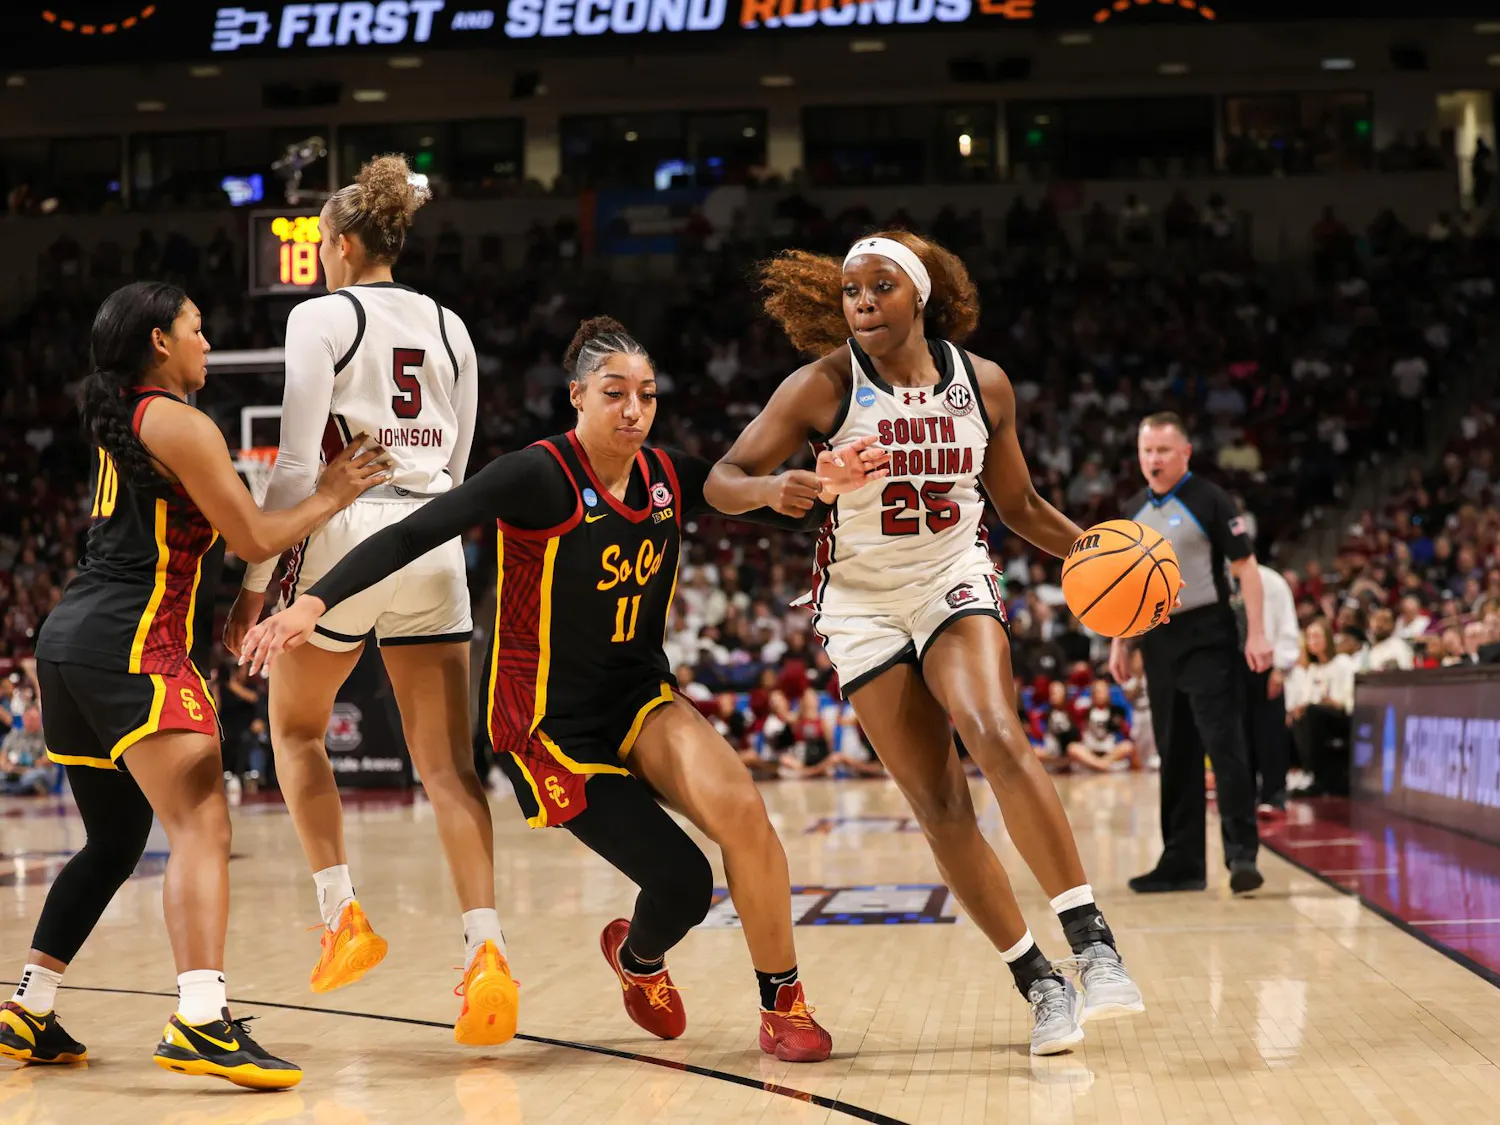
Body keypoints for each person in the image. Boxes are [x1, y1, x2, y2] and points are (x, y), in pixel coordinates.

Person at [239, 316, 885, 1061]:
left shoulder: (666, 474)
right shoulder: (537, 474)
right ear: (577, 396)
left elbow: (741, 494)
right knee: (684, 882)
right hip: (544, 722)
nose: (634, 409)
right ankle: (637, 956)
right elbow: (414, 531)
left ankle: (784, 1005)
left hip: (638, 696)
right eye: (615, 393)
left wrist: (807, 488)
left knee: (743, 807)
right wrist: (315, 601)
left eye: (646, 393)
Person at [707, 231, 1144, 1057]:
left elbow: (1018, 505)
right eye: (849, 290)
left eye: (879, 287)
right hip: (862, 606)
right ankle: (1039, 982)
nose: (862, 301)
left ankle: (1094, 945)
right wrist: (781, 486)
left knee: (993, 729)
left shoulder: (982, 384)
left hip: (951, 577)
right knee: (941, 807)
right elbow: (722, 478)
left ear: (920, 296)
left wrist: (1108, 560)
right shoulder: (822, 385)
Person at [1, 281, 388, 1086]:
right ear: (159, 343)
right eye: (197, 329)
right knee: (204, 821)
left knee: (114, 842)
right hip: (128, 643)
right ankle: (202, 1018)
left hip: (72, 643)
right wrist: (332, 492)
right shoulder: (178, 419)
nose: (209, 342)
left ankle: (29, 1003)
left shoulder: (138, 419)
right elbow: (252, 532)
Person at [222, 155, 515, 1046]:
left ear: (344, 244)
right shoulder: (452, 325)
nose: (318, 258)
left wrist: (255, 581)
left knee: (296, 732)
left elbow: (304, 464)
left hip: (350, 532)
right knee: (449, 770)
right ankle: (487, 952)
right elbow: (461, 466)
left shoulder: (321, 316)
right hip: (433, 536)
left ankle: (342, 912)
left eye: (320, 245)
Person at [1110, 413, 1269, 895]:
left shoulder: (1210, 498)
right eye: (1147, 451)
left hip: (1208, 634)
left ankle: (1241, 854)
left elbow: (1247, 568)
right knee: (1173, 751)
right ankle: (1182, 862)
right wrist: (1121, 641)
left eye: (1162, 450)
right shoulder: (1132, 509)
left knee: (1224, 747)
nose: (1153, 459)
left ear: (1185, 453)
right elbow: (1124, 585)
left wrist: (1257, 633)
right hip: (1157, 639)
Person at [1245, 562, 1301, 817]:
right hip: (1233, 665)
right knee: (1239, 735)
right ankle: (1244, 796)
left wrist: (1281, 667)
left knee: (1270, 733)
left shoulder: (1272, 581)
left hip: (1268, 666)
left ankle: (1274, 795)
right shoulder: (1220, 579)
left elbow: (1288, 628)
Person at [1285, 619, 1355, 797]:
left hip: (1341, 717)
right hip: (1316, 716)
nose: (1312, 641)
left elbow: (1347, 701)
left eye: (1316, 636)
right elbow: (1305, 701)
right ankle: (1299, 772)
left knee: (1311, 714)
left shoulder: (1342, 662)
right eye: (1308, 637)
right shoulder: (1313, 669)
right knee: (1295, 717)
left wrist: (1329, 701)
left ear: (1328, 638)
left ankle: (1310, 773)